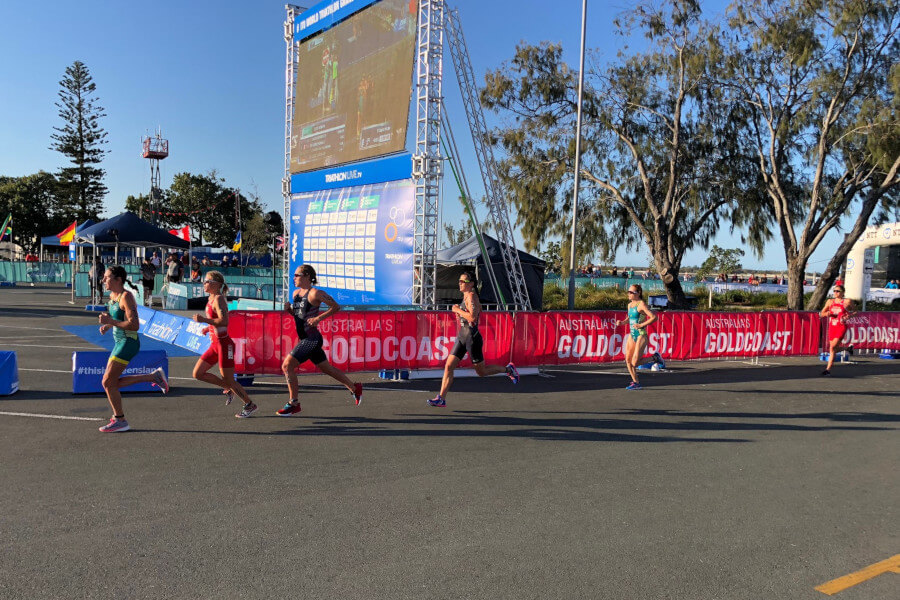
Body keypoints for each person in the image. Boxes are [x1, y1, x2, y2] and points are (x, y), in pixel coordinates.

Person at [276, 264, 363, 416]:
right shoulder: (296, 293)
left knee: (287, 366)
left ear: (307, 276)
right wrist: (289, 311)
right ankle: (355, 388)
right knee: (326, 368)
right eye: (294, 276)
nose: (294, 278)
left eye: (297, 275)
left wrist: (318, 318)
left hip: (312, 338)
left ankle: (293, 403)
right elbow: (300, 317)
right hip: (305, 338)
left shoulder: (315, 293)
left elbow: (336, 307)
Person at [428, 272, 519, 407]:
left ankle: (508, 370)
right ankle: (441, 398)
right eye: (459, 281)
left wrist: (458, 311)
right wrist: (460, 313)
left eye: (463, 281)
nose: (460, 283)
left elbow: (473, 318)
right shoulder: (466, 296)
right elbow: (473, 313)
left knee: (481, 372)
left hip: (471, 337)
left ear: (471, 284)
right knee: (448, 366)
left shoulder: (471, 296)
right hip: (462, 335)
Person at [97, 266, 169, 432]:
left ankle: (120, 420)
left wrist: (111, 322)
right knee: (110, 383)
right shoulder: (112, 296)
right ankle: (153, 376)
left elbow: (134, 325)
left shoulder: (126, 297)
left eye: (107, 277)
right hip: (119, 342)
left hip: (128, 343)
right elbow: (117, 317)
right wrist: (109, 324)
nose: (103, 280)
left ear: (118, 280)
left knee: (108, 382)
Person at [191, 271, 256, 417]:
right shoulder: (210, 298)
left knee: (228, 378)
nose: (204, 284)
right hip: (215, 345)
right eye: (204, 281)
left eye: (207, 281)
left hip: (224, 345)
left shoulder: (219, 299)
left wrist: (205, 321)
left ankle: (249, 404)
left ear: (216, 284)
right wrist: (208, 328)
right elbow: (217, 322)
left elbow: (225, 321)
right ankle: (228, 388)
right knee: (198, 373)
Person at [614, 284, 662, 390]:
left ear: (638, 293)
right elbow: (629, 318)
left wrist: (641, 325)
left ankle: (655, 357)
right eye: (628, 292)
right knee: (627, 360)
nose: (629, 294)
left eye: (631, 292)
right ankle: (636, 382)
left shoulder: (641, 304)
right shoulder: (629, 305)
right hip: (632, 335)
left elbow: (654, 318)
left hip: (641, 335)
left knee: (635, 362)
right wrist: (622, 323)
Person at [819, 284, 855, 376]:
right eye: (834, 291)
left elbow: (856, 311)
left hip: (841, 326)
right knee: (832, 349)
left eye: (838, 291)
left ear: (843, 292)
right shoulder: (830, 301)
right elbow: (821, 313)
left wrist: (849, 315)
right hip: (832, 326)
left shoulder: (847, 301)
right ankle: (847, 348)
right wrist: (827, 313)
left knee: (832, 348)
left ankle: (828, 369)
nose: (835, 293)